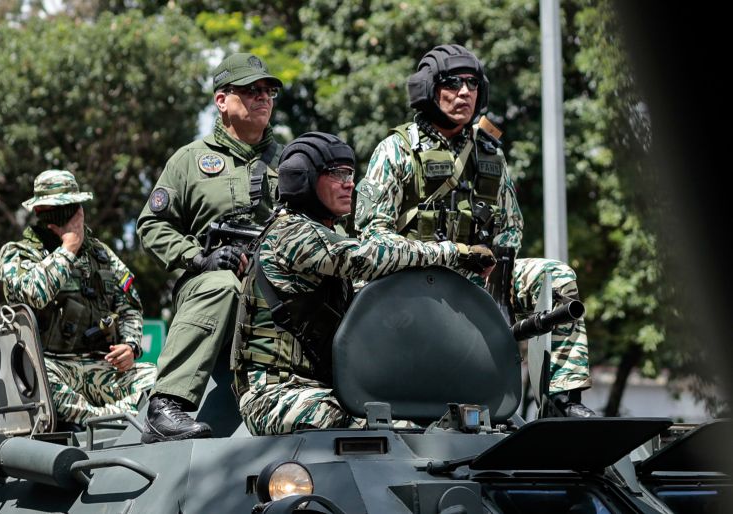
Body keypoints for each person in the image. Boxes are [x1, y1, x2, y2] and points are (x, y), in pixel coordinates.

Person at [354, 44, 595, 417]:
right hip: (411, 289)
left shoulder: (489, 154)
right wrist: (445, 255)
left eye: (472, 83)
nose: (465, 92)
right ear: (428, 89)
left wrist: (495, 277)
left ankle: (561, 402)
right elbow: (372, 240)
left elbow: (511, 229)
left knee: (555, 276)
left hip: (476, 285)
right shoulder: (396, 151)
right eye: (452, 83)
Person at [231, 132, 494, 435]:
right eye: (337, 174)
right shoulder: (291, 234)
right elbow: (368, 258)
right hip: (277, 395)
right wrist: (453, 253)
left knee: (432, 429)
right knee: (390, 433)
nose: (349, 183)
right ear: (303, 178)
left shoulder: (326, 235)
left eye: (351, 174)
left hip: (327, 390)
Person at [136, 53, 285, 442]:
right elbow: (152, 224)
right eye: (251, 90)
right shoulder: (189, 160)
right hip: (208, 287)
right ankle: (166, 406)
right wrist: (200, 258)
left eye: (268, 91)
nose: (263, 98)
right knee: (223, 284)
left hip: (274, 287)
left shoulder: (289, 163)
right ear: (222, 100)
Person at [0, 169, 156, 430]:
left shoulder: (100, 254)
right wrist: (68, 248)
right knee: (38, 383)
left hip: (100, 366)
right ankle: (109, 418)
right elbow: (35, 293)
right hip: (51, 365)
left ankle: (106, 417)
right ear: (39, 212)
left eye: (70, 207)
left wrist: (130, 346)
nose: (66, 215)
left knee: (159, 379)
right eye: (55, 209)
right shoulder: (15, 254)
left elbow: (129, 307)